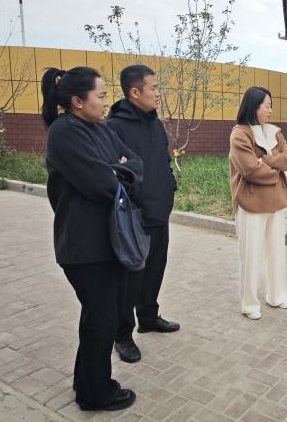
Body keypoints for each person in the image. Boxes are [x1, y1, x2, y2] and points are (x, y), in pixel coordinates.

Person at [42, 66, 141, 411]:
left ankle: (86, 383)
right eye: (100, 95)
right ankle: (96, 394)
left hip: (109, 241)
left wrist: (119, 169)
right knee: (102, 319)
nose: (105, 101)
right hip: (83, 246)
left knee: (101, 316)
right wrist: (117, 170)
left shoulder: (99, 128)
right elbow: (103, 184)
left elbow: (136, 164)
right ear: (77, 101)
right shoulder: (64, 132)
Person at [107, 65, 179, 364]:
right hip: (135, 216)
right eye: (154, 88)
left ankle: (148, 317)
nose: (158, 93)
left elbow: (163, 160)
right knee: (130, 280)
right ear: (135, 92)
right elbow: (115, 174)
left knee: (155, 269)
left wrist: (170, 185)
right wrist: (137, 200)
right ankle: (122, 336)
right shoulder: (115, 127)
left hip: (159, 211)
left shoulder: (154, 123)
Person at [229, 86, 287, 320]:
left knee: (276, 251)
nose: (270, 110)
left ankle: (277, 295)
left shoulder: (274, 132)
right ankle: (249, 304)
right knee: (250, 255)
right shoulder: (240, 134)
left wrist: (266, 160)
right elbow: (250, 169)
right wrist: (276, 167)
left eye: (271, 105)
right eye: (266, 105)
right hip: (250, 202)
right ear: (253, 107)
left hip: (275, 201)